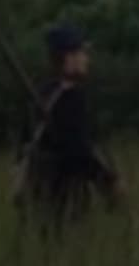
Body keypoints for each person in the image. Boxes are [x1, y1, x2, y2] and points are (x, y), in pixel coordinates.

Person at [14, 23, 123, 236]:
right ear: (68, 58)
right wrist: (108, 183)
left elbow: (23, 144)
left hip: (37, 191)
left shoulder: (43, 93)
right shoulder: (72, 98)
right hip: (64, 193)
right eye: (82, 53)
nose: (86, 59)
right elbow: (78, 153)